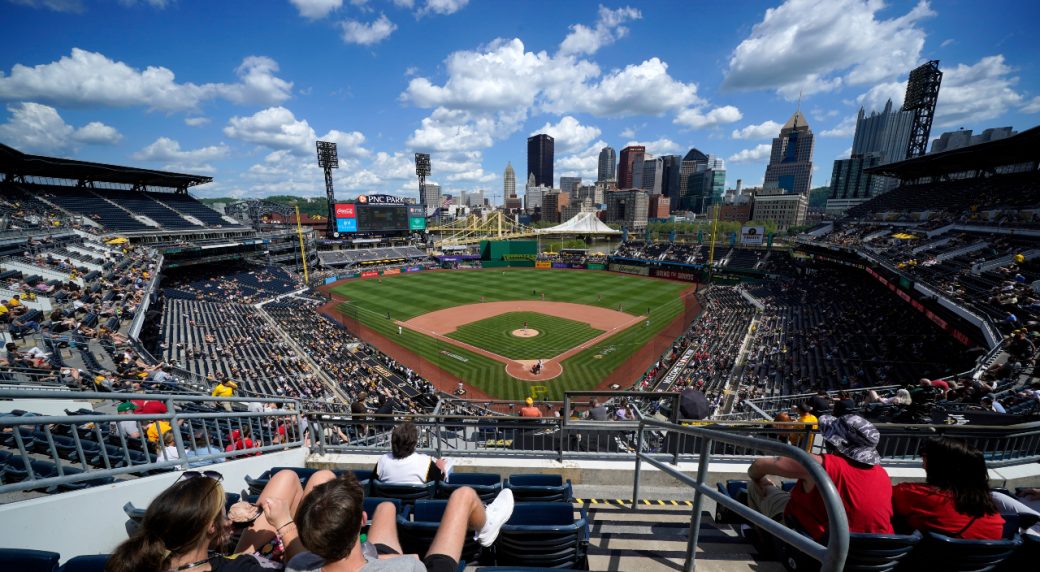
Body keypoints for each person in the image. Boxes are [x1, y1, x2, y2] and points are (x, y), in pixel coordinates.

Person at [107, 468, 333, 572]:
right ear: (212, 527)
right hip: (266, 563)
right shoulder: (244, 568)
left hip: (236, 557)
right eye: (224, 513)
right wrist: (285, 524)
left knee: (287, 477)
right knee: (324, 479)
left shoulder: (145, 563)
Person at [288, 472, 514, 572]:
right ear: (362, 521)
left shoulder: (297, 565)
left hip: (365, 558)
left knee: (386, 507)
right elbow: (411, 563)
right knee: (462, 495)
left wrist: (379, 557)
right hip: (412, 567)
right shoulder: (407, 567)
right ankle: (486, 527)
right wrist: (402, 558)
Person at [746, 414, 894, 542]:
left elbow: (758, 466)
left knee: (753, 485)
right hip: (872, 551)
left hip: (820, 545)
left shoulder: (820, 464)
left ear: (833, 442)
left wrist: (760, 480)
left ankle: (764, 540)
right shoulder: (882, 474)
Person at [892, 437, 1005, 540]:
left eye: (926, 457)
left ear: (939, 466)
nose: (923, 463)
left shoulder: (912, 494)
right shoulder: (992, 514)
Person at [375, 422, 449, 484]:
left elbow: (372, 484)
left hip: (389, 500)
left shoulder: (383, 461)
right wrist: (441, 468)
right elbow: (441, 482)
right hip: (418, 500)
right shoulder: (425, 462)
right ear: (414, 443)